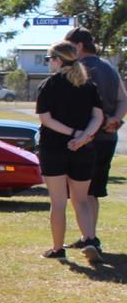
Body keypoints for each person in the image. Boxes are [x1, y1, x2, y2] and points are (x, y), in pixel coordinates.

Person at [35, 41, 104, 261]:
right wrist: (83, 137)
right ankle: (90, 239)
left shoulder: (49, 85)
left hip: (54, 148)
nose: (49, 64)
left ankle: (57, 248)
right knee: (81, 199)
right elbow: (98, 117)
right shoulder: (88, 86)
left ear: (58, 60)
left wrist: (72, 133)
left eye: (49, 59)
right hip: (83, 150)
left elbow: (46, 119)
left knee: (58, 202)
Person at [63, 26, 126, 259]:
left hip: (86, 138)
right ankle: (89, 236)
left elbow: (85, 105)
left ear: (78, 46)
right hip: (108, 138)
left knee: (80, 193)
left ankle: (89, 239)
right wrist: (116, 120)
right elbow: (123, 98)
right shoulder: (109, 67)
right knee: (94, 191)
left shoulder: (81, 69)